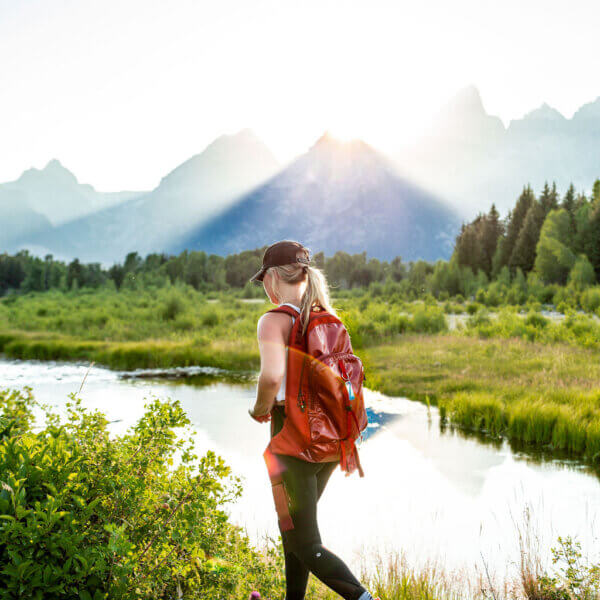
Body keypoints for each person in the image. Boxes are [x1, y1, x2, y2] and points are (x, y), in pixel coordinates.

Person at [248, 240, 378, 600]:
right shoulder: (328, 317)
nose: (265, 289)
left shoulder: (274, 320)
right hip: (333, 443)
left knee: (304, 539)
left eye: (264, 281)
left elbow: (272, 378)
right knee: (293, 528)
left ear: (273, 278)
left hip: (293, 442)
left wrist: (259, 408)